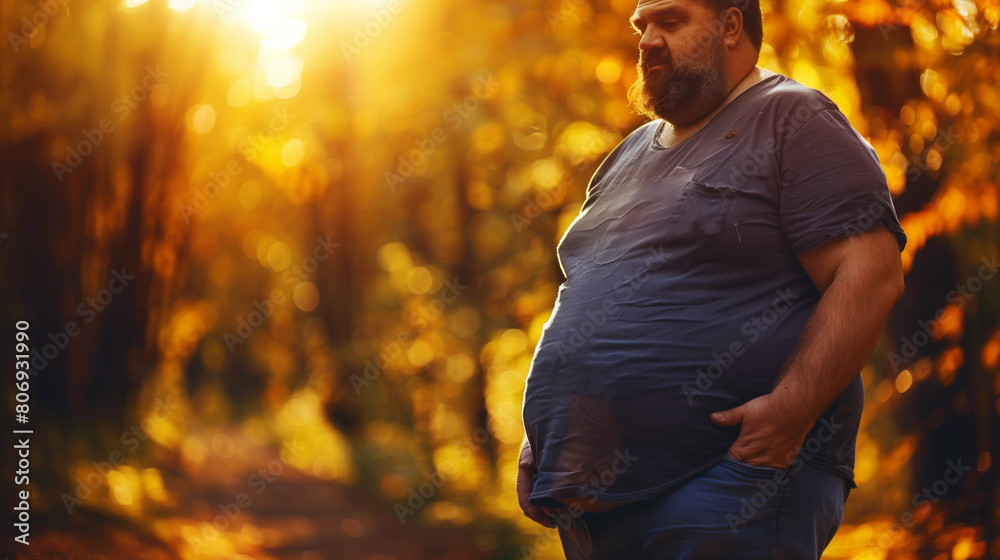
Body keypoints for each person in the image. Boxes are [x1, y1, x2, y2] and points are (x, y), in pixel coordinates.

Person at [516, 0, 908, 557]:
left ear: (730, 25)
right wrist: (543, 437)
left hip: (726, 486)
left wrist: (790, 413)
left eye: (671, 22)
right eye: (642, 26)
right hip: (591, 513)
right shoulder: (627, 155)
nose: (648, 39)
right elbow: (585, 292)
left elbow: (870, 275)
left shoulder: (793, 118)